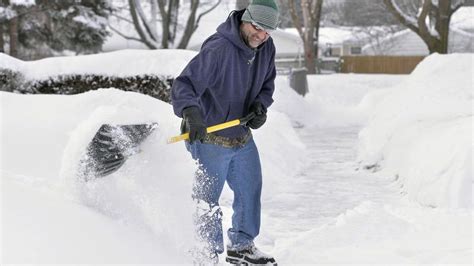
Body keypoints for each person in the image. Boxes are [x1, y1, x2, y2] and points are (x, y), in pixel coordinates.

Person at [171, 0, 279, 264]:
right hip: (208, 136)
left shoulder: (267, 48)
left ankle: (242, 247)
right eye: (256, 26)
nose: (261, 35)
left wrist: (260, 107)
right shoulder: (218, 48)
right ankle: (205, 254)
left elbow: (267, 83)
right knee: (207, 200)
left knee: (249, 191)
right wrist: (191, 112)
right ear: (245, 19)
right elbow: (185, 84)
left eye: (267, 30)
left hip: (241, 135)